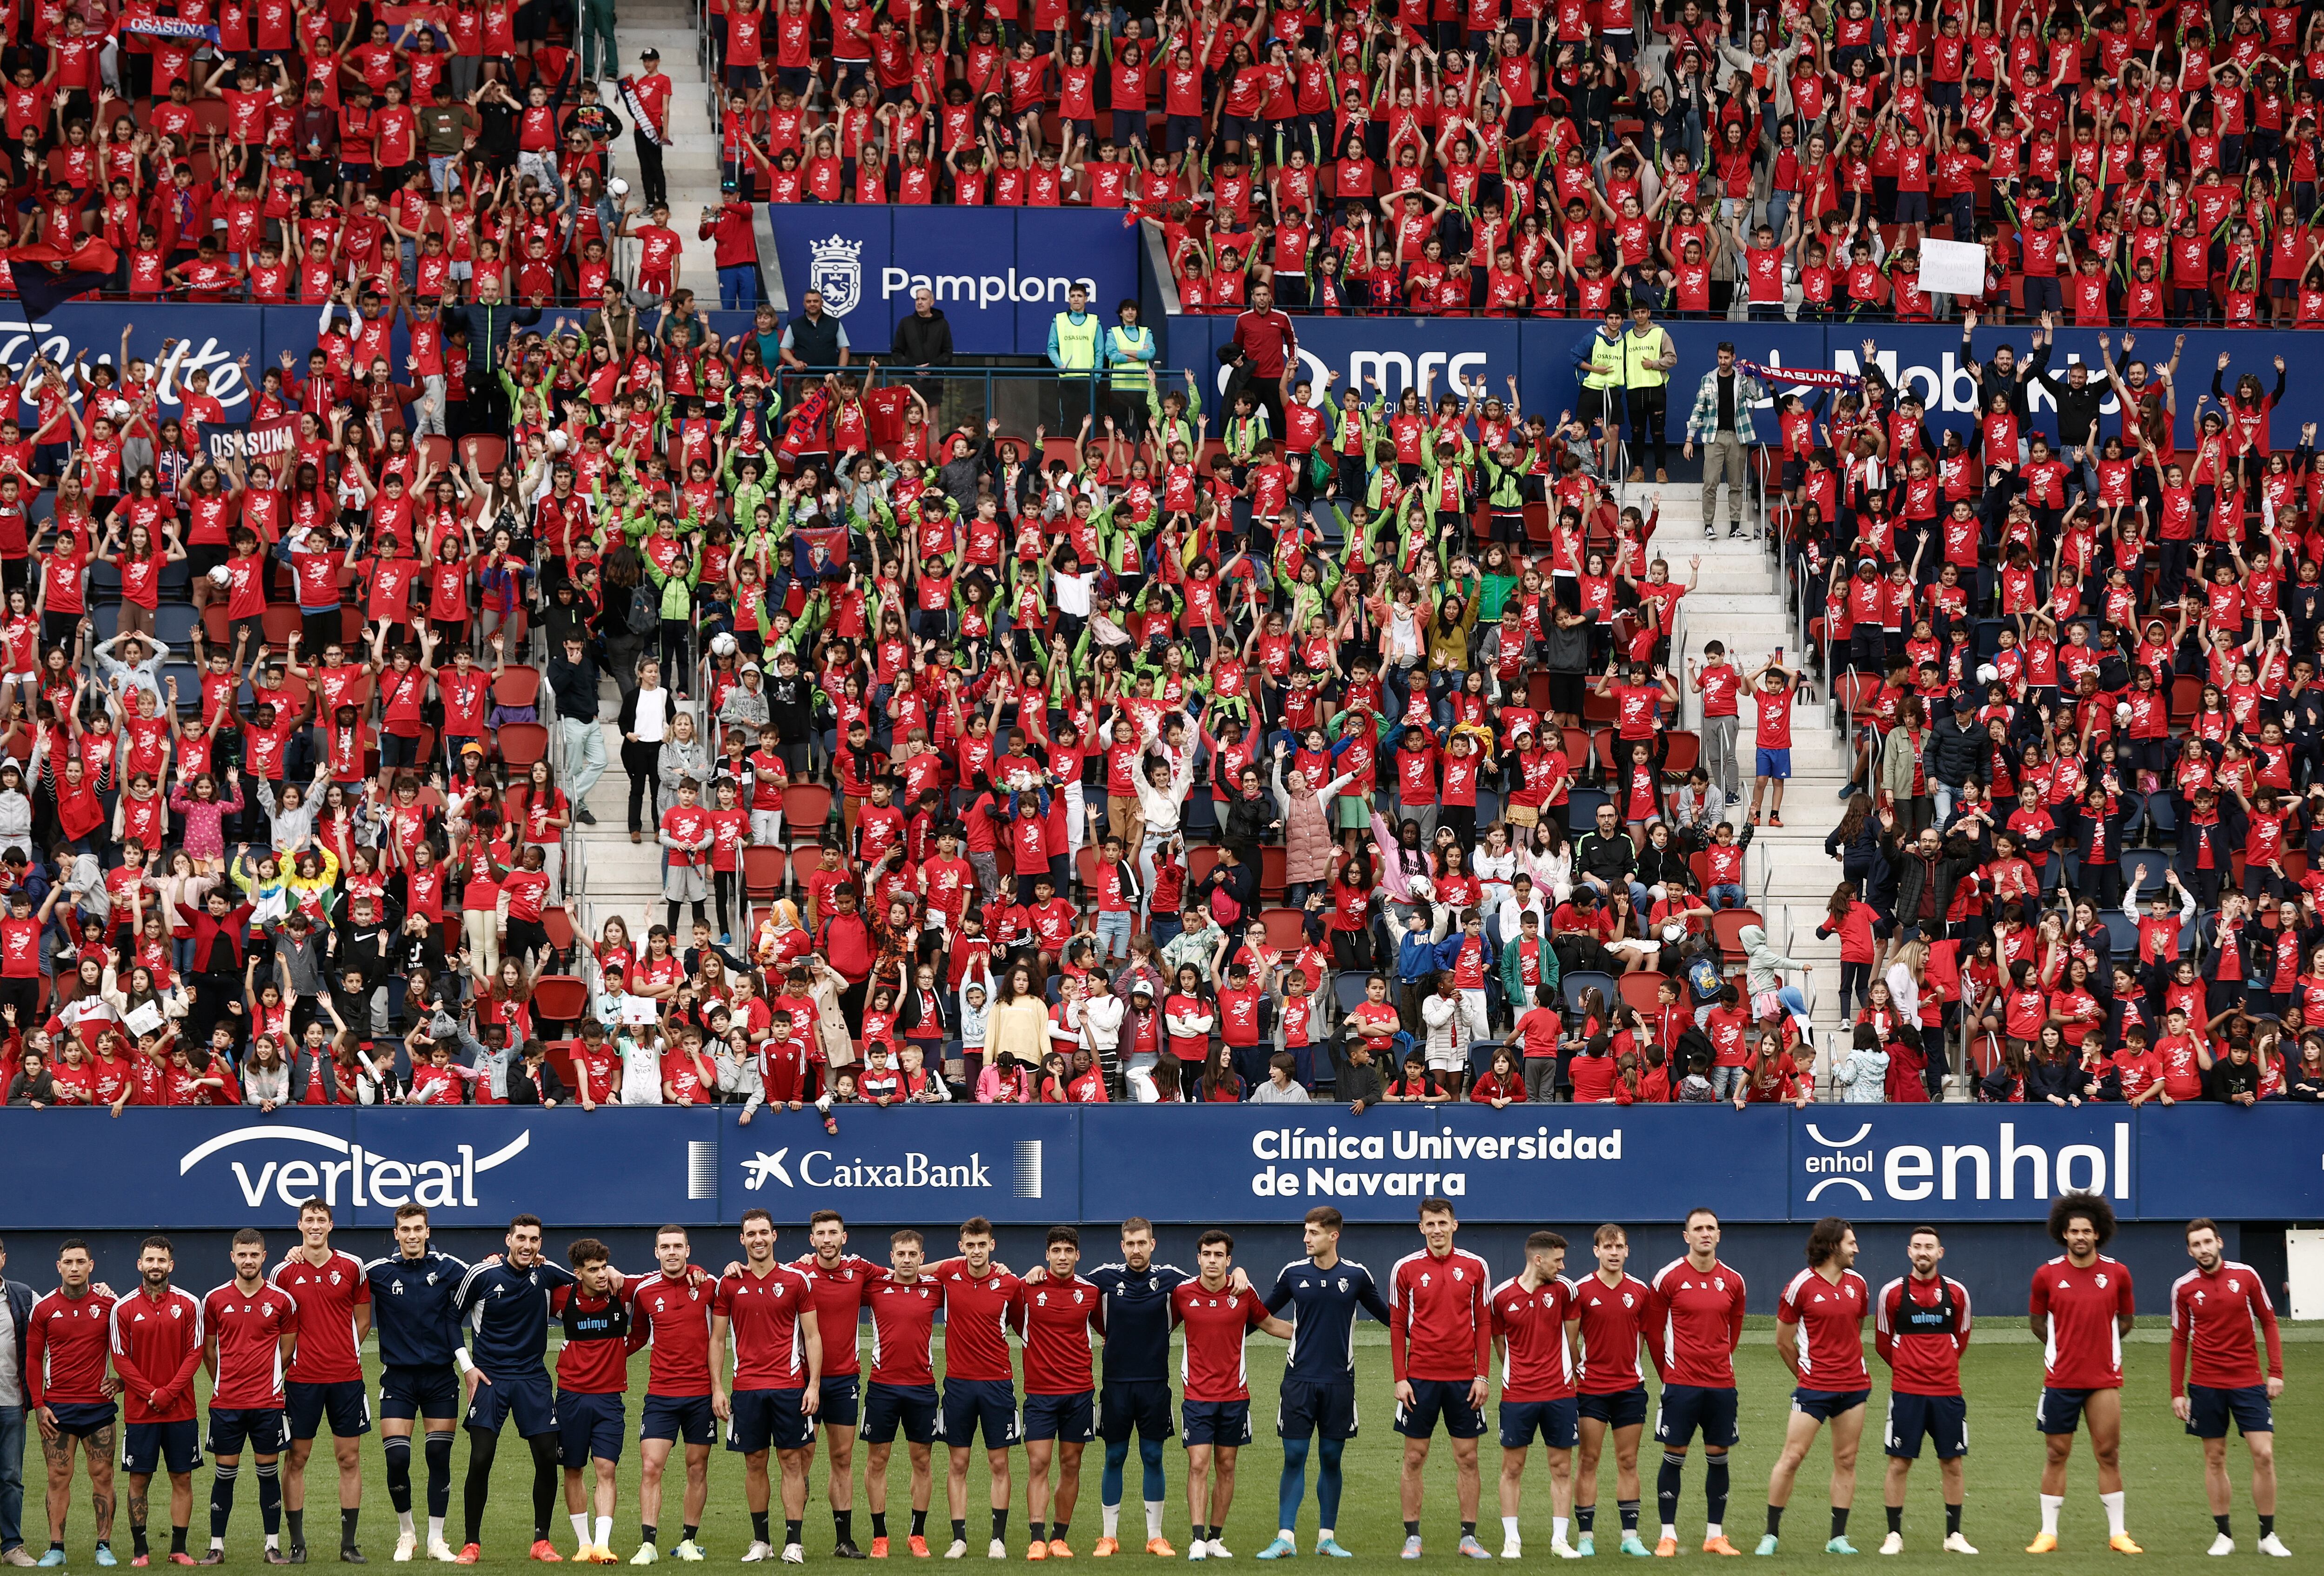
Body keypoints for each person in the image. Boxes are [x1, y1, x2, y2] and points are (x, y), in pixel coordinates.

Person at [1256, 1207, 1389, 1560]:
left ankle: (1326, 1539)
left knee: (1331, 1458)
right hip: (1298, 1380)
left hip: (1339, 1382)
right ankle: (1285, 1538)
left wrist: (1432, 1324)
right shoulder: (1293, 1273)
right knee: (1295, 1455)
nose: (1305, 1238)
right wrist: (1296, 1335)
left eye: (1313, 1232)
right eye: (1305, 1231)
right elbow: (1261, 1315)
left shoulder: (1357, 1276)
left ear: (1334, 1236)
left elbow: (1391, 1318)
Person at [452, 1216, 584, 1563]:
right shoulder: (482, 1275)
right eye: (522, 1239)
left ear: (541, 1244)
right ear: (508, 1240)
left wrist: (614, 1274)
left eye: (535, 1240)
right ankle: (471, 1543)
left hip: (532, 1379)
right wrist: (468, 1368)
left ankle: (542, 1541)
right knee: (481, 1459)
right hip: (490, 1379)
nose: (528, 1246)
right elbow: (451, 1320)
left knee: (546, 1458)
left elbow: (590, 1279)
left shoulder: (547, 1273)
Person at [2026, 1193, 2139, 1556]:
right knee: (2056, 1453)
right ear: (2063, 1234)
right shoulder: (2046, 1274)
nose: (2080, 1237)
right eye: (2074, 1231)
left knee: (2108, 1454)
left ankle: (2118, 1533)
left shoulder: (2118, 1273)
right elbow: (2036, 1322)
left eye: (2086, 1231)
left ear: (2098, 1234)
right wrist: (2063, 1349)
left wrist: (2099, 1348)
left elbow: (2126, 1320)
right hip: (2061, 1380)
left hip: (2104, 1380)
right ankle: (2047, 1533)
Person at [2169, 1219, 2289, 1557]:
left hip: (2248, 1382)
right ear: (2189, 1250)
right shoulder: (2183, 1287)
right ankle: (2224, 1535)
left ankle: (2268, 1536)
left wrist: (2275, 1371)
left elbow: (2269, 1321)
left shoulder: (2246, 1276)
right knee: (2215, 1458)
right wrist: (2177, 1391)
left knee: (2264, 1455)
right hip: (2206, 1385)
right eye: (2196, 1244)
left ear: (2220, 1242)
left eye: (2208, 1242)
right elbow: (2179, 1339)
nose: (2203, 1249)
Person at [1171, 1231, 1293, 1561]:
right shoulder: (1182, 1294)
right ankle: (1196, 1539)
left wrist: (1314, 1335)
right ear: (1198, 1259)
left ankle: (1214, 1539)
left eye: (1218, 1255)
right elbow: (1156, 1329)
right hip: (1196, 1396)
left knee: (1227, 1465)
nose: (1212, 1260)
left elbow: (1270, 1324)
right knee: (1199, 1465)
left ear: (1229, 1260)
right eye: (1206, 1254)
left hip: (1235, 1396)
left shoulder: (1243, 1292)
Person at [709, 1210, 821, 1566]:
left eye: (763, 1232)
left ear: (775, 1236)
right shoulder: (728, 1284)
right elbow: (716, 1340)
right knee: (754, 1463)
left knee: (791, 1462)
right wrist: (717, 1387)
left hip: (789, 1387)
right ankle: (761, 1541)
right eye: (750, 1234)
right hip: (746, 1389)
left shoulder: (796, 1281)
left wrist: (813, 1384)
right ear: (742, 1240)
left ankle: (794, 1543)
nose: (758, 1239)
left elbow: (813, 1336)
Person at [1756, 1218, 1871, 1556]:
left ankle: (1838, 1538)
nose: (1857, 1249)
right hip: (1813, 1389)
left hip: (1854, 1387)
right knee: (1792, 1457)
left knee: (1847, 1460)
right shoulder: (1800, 1286)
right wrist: (1805, 1376)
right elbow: (1783, 1341)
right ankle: (1770, 1535)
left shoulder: (1859, 1284)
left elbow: (1856, 1327)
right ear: (1834, 1246)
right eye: (1851, 1243)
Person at [1388, 1199, 1493, 1559]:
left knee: (1468, 1459)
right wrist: (1400, 1378)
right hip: (1420, 1381)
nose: (1437, 1230)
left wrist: (1483, 1375)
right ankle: (1412, 1538)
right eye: (1430, 1224)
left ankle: (1469, 1538)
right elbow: (1398, 1325)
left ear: (1455, 1225)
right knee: (1414, 1457)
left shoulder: (1476, 1267)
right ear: (1421, 1228)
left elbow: (1485, 1322)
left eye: (1442, 1223)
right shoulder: (1405, 1269)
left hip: (1464, 1381)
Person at [365, 1204, 469, 1564]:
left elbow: (484, 1280)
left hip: (441, 1378)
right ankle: (406, 1533)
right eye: (405, 1229)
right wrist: (299, 1253)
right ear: (396, 1234)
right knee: (397, 1457)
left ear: (428, 1232)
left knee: (438, 1455)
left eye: (418, 1229)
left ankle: (436, 1540)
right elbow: (339, 1276)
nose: (412, 1235)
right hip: (398, 1378)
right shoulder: (377, 1272)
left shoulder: (449, 1268)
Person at [269, 1200, 371, 1564]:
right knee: (297, 1458)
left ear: (331, 1225)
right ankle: (297, 1544)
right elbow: (274, 1326)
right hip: (300, 1381)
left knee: (349, 1458)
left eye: (321, 1221)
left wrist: (344, 1353)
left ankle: (348, 1544)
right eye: (309, 1220)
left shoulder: (352, 1266)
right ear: (299, 1225)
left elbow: (363, 1321)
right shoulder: (282, 1272)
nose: (315, 1226)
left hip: (346, 1379)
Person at [1642, 1209, 1747, 1557]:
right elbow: (1654, 1335)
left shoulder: (1734, 1281)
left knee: (1719, 1456)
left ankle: (1715, 1535)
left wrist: (1717, 1363)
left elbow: (1732, 1334)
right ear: (1686, 1236)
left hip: (1721, 1384)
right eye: (1698, 1229)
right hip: (1681, 1385)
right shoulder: (1668, 1278)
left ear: (1719, 1235)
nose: (1705, 1234)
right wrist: (1671, 1376)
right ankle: (1667, 1536)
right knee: (1675, 1455)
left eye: (1711, 1229)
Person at [1084, 1220, 1190, 1557]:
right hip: (1115, 1385)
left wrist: (1242, 1272)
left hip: (1155, 1385)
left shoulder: (1171, 1277)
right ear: (1122, 1246)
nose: (1136, 1250)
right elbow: (1068, 1287)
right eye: (1130, 1244)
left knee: (1153, 1457)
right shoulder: (1103, 1277)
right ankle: (1109, 1537)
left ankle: (1155, 1537)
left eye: (1142, 1243)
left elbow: (1206, 1286)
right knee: (1114, 1456)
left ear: (1153, 1244)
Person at [1872, 1226, 1977, 1556]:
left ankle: (1954, 1536)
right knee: (1899, 1463)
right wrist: (1909, 1368)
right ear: (1909, 1252)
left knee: (1953, 1463)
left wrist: (1939, 1366)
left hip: (1947, 1392)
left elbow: (1961, 1338)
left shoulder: (1957, 1293)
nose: (1923, 1253)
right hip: (1907, 1393)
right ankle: (1893, 1535)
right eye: (1917, 1247)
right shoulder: (1891, 1293)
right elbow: (1883, 1343)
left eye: (1929, 1247)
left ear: (1940, 1253)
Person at [199, 1230, 298, 1564]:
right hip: (226, 1405)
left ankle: (272, 1546)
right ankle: (217, 1547)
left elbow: (288, 1350)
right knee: (224, 1475)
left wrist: (267, 1381)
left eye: (254, 1255)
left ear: (264, 1257)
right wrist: (224, 1383)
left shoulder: (282, 1300)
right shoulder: (214, 1300)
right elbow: (209, 1352)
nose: (248, 1261)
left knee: (268, 1475)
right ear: (232, 1257)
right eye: (242, 1255)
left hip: (268, 1404)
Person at [26, 1240, 119, 1567]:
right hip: (58, 1409)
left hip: (99, 1408)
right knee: (57, 1478)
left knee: (103, 1476)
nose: (75, 1268)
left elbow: (130, 1347)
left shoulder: (109, 1305)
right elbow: (34, 1360)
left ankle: (103, 1547)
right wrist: (39, 1404)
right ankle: (56, 1548)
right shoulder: (45, 1308)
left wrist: (121, 1382)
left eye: (81, 1261)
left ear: (91, 1265)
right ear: (59, 1266)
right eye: (69, 1262)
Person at [1489, 1232, 1580, 1561]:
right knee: (1512, 1468)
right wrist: (1520, 1372)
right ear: (1538, 1260)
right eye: (1557, 1260)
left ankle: (1560, 1540)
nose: (1563, 1266)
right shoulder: (1500, 1297)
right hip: (1518, 1396)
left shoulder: (1566, 1291)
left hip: (1561, 1393)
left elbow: (1572, 1343)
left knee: (1561, 1467)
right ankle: (1512, 1540)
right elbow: (1499, 1343)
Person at [629, 1227, 717, 1563]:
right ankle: (648, 1545)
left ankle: (688, 1542)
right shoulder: (645, 1290)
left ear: (688, 1250)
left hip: (700, 1396)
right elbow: (636, 1336)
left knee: (697, 1469)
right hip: (661, 1396)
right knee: (651, 1467)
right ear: (656, 1252)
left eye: (678, 1246)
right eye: (665, 1247)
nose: (672, 1252)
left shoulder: (708, 1286)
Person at [789, 1212, 875, 1559]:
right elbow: (757, 1276)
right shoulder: (797, 1272)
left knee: (842, 1458)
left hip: (844, 1380)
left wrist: (961, 1261)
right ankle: (794, 1539)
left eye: (833, 1233)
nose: (827, 1239)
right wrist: (735, 1266)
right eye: (821, 1234)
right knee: (801, 1459)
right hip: (802, 1381)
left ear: (845, 1237)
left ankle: (844, 1540)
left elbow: (910, 1271)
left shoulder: (860, 1270)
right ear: (812, 1240)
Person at [934, 1220, 1021, 1559]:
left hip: (998, 1384)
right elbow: (910, 1267)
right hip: (957, 1384)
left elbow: (1019, 1321)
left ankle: (997, 1540)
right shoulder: (948, 1274)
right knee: (958, 1463)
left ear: (992, 1246)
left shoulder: (1009, 1283)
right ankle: (960, 1539)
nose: (976, 1251)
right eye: (970, 1245)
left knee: (999, 1463)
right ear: (961, 1247)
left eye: (982, 1245)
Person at [1012, 1228, 1101, 1558]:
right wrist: (1028, 1274)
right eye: (1056, 1251)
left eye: (1068, 1250)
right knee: (1039, 1463)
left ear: (1078, 1255)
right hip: (1040, 1393)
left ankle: (1059, 1537)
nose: (1062, 1256)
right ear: (1047, 1255)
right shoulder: (1026, 1289)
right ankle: (1037, 1538)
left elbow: (1108, 1329)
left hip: (1079, 1393)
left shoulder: (1091, 1292)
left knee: (1071, 1463)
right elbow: (1006, 1317)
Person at [548, 1239, 635, 1565]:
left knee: (606, 1469)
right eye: (593, 1270)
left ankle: (602, 1545)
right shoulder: (562, 1297)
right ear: (578, 1274)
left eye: (603, 1268)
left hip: (610, 1398)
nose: (601, 1275)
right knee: (573, 1468)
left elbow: (664, 1277)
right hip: (571, 1396)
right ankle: (584, 1544)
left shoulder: (621, 1293)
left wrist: (618, 1355)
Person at [1567, 1225, 1652, 1557]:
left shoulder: (1641, 1291)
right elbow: (1571, 1340)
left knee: (1628, 1460)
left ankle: (1630, 1536)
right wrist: (1582, 1371)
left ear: (1628, 1251)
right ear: (1596, 1251)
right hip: (1591, 1390)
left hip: (1630, 1388)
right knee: (1588, 1459)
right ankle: (1585, 1537)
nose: (1614, 1252)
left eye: (1620, 1247)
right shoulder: (1581, 1290)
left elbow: (1641, 1338)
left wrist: (1628, 1367)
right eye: (1608, 1247)